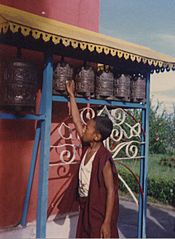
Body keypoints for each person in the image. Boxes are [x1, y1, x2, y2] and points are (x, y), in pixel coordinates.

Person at [66, 80, 119, 238]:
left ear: (97, 137)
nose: (83, 128)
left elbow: (111, 191)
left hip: (99, 211)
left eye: (87, 128)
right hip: (86, 206)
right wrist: (71, 96)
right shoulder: (87, 146)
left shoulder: (104, 158)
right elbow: (76, 121)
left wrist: (107, 222)